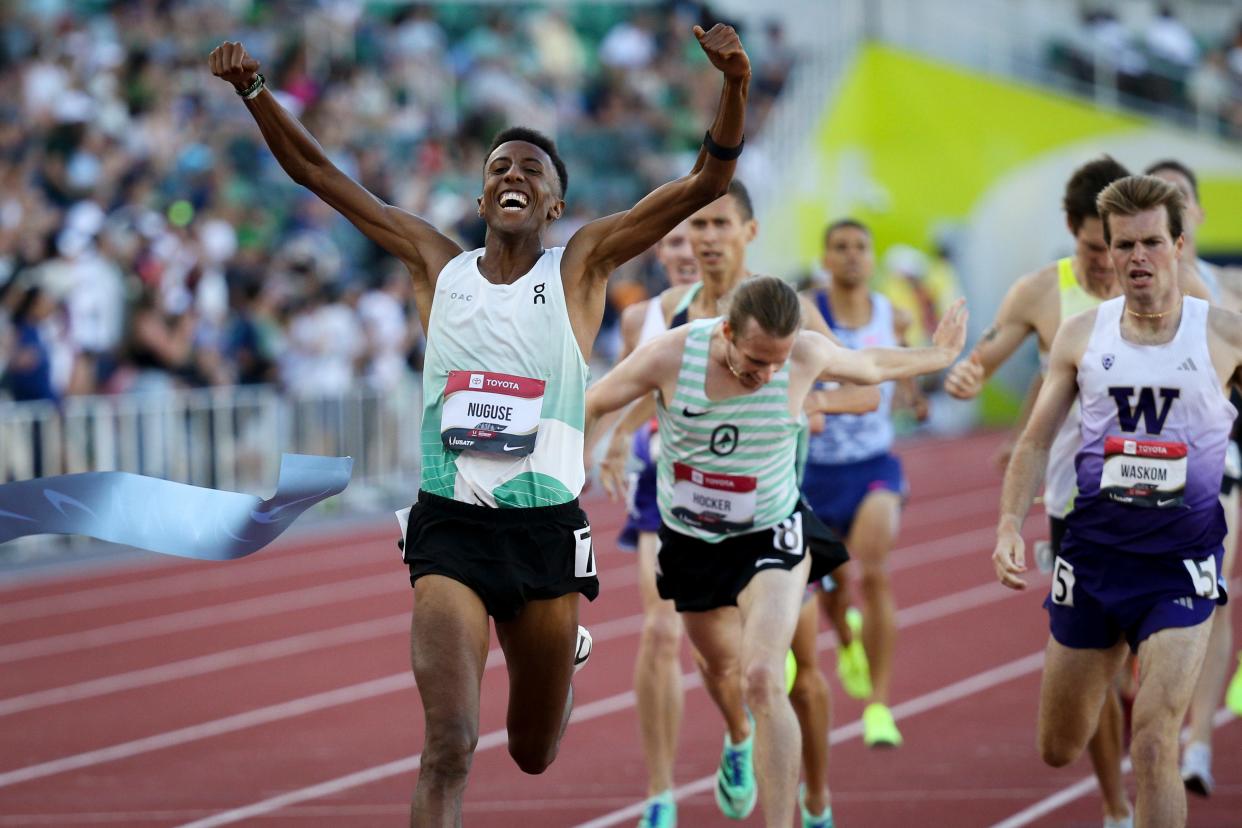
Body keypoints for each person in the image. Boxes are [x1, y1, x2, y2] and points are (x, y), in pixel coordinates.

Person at [209, 25, 752, 827]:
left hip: (545, 536)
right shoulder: (437, 264)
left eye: (531, 170)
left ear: (555, 204)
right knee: (448, 744)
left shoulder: (580, 264)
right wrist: (256, 90)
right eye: (499, 166)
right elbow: (318, 173)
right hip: (450, 529)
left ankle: (562, 654)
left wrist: (734, 84)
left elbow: (707, 180)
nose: (513, 175)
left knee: (533, 751)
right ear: (479, 198)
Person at [587, 276, 967, 828]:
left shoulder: (804, 353)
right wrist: (565, 481)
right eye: (754, 362)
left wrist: (940, 353)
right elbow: (596, 401)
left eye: (778, 363)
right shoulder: (673, 355)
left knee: (763, 676)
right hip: (692, 541)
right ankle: (738, 737)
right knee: (718, 668)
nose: (766, 376)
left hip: (772, 531)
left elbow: (871, 367)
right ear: (726, 334)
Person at [595, 183, 876, 827]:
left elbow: (857, 389)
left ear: (745, 233)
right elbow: (643, 386)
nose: (697, 244)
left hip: (769, 506)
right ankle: (688, 775)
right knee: (677, 639)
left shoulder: (784, 309)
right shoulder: (659, 315)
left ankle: (816, 801)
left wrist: (809, 401)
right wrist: (614, 442)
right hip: (674, 493)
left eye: (716, 226)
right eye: (685, 234)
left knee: (795, 671)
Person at [943, 156, 1210, 828]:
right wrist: (1008, 522)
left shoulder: (1213, 321)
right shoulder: (1065, 321)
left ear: (1176, 244)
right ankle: (1110, 777)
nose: (1125, 259)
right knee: (1059, 743)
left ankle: (1125, 806)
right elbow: (1026, 423)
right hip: (1082, 529)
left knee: (1155, 736)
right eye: (1117, 246)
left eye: (1150, 243)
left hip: (1180, 551)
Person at [800, 218, 930, 747]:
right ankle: (846, 638)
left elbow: (901, 375)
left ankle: (878, 704)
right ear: (826, 258)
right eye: (840, 248)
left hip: (873, 466)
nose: (851, 256)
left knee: (873, 573)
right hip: (812, 472)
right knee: (830, 587)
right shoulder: (806, 313)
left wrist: (913, 396)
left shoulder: (891, 316)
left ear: (872, 259)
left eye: (860, 247)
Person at [1145, 158, 1242, 797]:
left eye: (1179, 198)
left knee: (1209, 590)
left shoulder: (1224, 285)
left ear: (1197, 214)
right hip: (1138, 461)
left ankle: (1196, 741)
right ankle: (1155, 721)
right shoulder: (1122, 287)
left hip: (1218, 457)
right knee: (1144, 603)